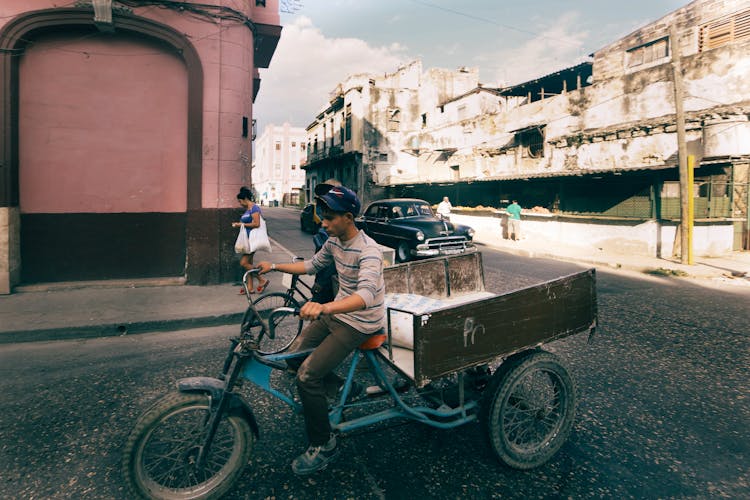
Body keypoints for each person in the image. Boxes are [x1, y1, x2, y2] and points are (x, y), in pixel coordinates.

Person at [256, 185, 385, 476]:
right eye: (322, 216)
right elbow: (313, 265)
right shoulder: (334, 241)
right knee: (292, 357)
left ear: (349, 217)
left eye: (329, 217)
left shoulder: (369, 252)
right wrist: (274, 265)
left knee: (307, 376)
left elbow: (364, 297)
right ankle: (342, 388)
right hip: (338, 312)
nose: (322, 223)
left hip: (361, 322)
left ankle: (324, 444)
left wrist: (323, 308)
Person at [233, 186, 269, 294]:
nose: (240, 203)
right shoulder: (248, 209)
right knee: (249, 263)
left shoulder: (254, 208)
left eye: (240, 201)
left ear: (245, 199)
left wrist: (241, 224)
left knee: (243, 263)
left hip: (252, 240)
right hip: (247, 240)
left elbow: (257, 224)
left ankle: (262, 280)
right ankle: (250, 287)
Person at [310, 179, 341, 304]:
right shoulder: (325, 229)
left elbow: (334, 260)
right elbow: (318, 261)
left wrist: (320, 283)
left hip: (331, 282)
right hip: (323, 276)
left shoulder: (338, 233)